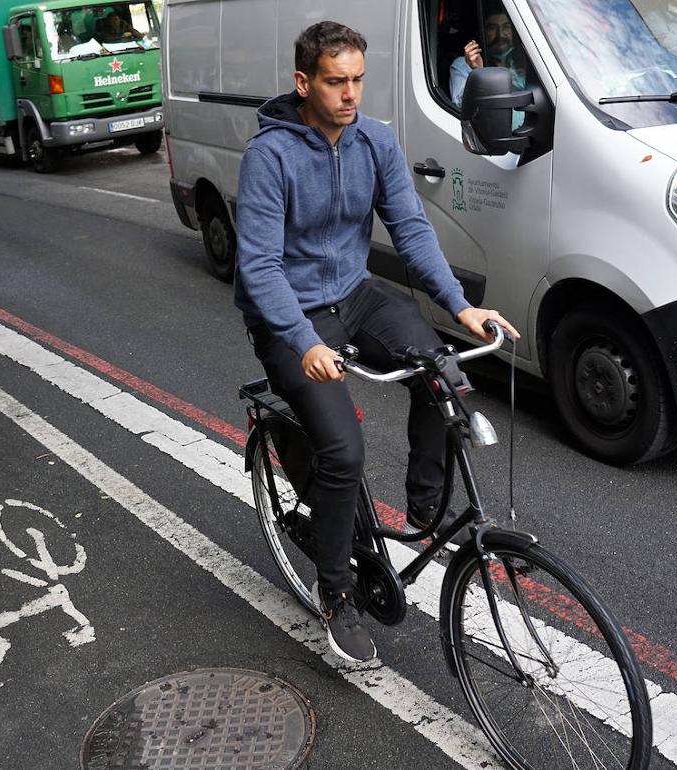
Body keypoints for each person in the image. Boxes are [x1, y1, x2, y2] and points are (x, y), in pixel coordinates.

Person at [235, 21, 517, 663]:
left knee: (444, 372)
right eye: (336, 82)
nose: (350, 94)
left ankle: (422, 508)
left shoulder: (376, 142)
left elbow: (412, 232)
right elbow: (260, 266)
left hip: (355, 294)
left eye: (358, 80)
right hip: (289, 316)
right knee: (343, 451)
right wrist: (302, 339)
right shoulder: (271, 156)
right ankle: (336, 592)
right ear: (305, 83)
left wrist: (460, 305)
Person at [449, 9, 527, 126]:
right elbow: (461, 106)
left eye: (506, 27)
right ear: (482, 32)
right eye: (492, 28)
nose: (500, 34)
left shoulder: (522, 63)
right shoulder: (463, 65)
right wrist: (479, 71)